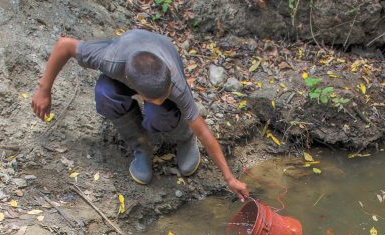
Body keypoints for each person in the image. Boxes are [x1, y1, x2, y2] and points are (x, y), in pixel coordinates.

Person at [32, 29, 249, 198]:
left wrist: (229, 178)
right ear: (135, 89)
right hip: (129, 55)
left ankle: (184, 139)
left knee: (157, 115)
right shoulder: (110, 60)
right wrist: (44, 89)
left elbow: (204, 131)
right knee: (105, 94)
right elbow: (65, 45)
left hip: (159, 55)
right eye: (156, 99)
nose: (164, 99)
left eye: (166, 96)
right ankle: (140, 145)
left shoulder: (175, 83)